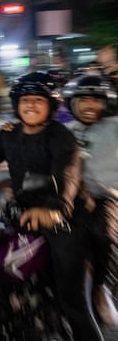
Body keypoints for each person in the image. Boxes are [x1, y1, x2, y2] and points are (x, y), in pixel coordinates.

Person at [0, 71, 104, 341]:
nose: (31, 105)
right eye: (26, 99)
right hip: (23, 212)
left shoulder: (60, 136)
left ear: (50, 104)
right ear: (17, 103)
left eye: (39, 99)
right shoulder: (9, 134)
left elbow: (68, 175)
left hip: (65, 220)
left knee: (72, 301)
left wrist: (55, 208)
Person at [62, 74, 118, 328]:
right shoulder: (68, 131)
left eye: (95, 100)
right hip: (78, 197)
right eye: (82, 100)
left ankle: (100, 289)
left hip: (111, 198)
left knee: (102, 234)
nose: (88, 106)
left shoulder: (115, 126)